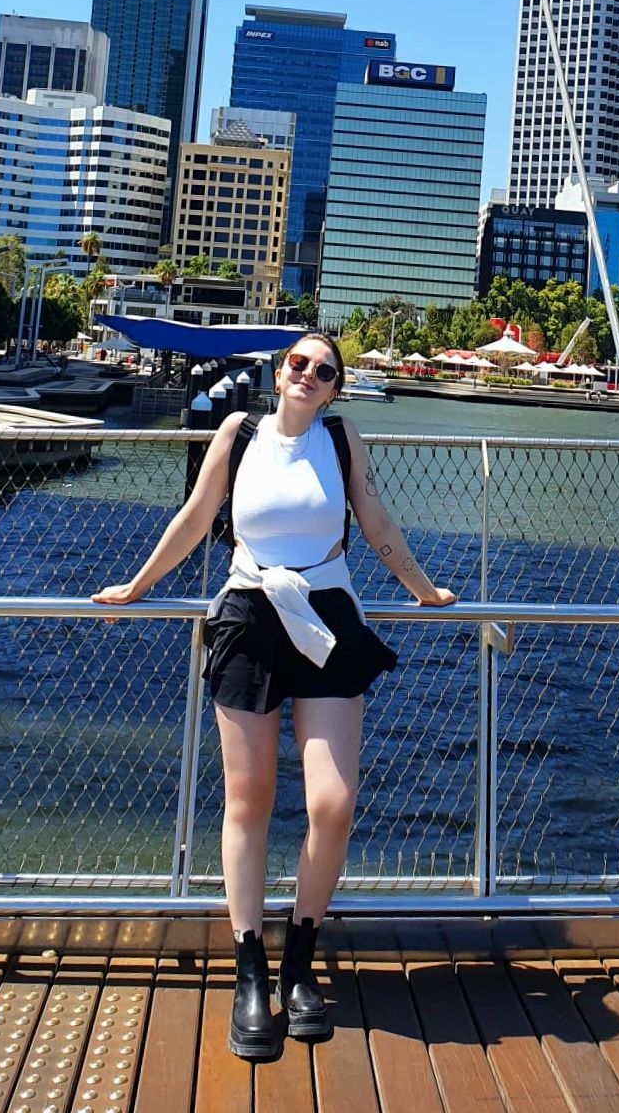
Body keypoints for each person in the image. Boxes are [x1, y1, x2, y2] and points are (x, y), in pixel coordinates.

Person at [92, 331, 455, 1061]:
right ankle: (250, 965)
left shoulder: (344, 438)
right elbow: (197, 519)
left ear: (335, 389)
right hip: (250, 612)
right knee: (249, 794)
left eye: (324, 372)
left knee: (333, 801)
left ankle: (300, 956)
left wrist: (423, 591)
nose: (308, 376)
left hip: (327, 614)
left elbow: (375, 523)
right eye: (299, 364)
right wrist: (138, 587)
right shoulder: (239, 431)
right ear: (278, 370)